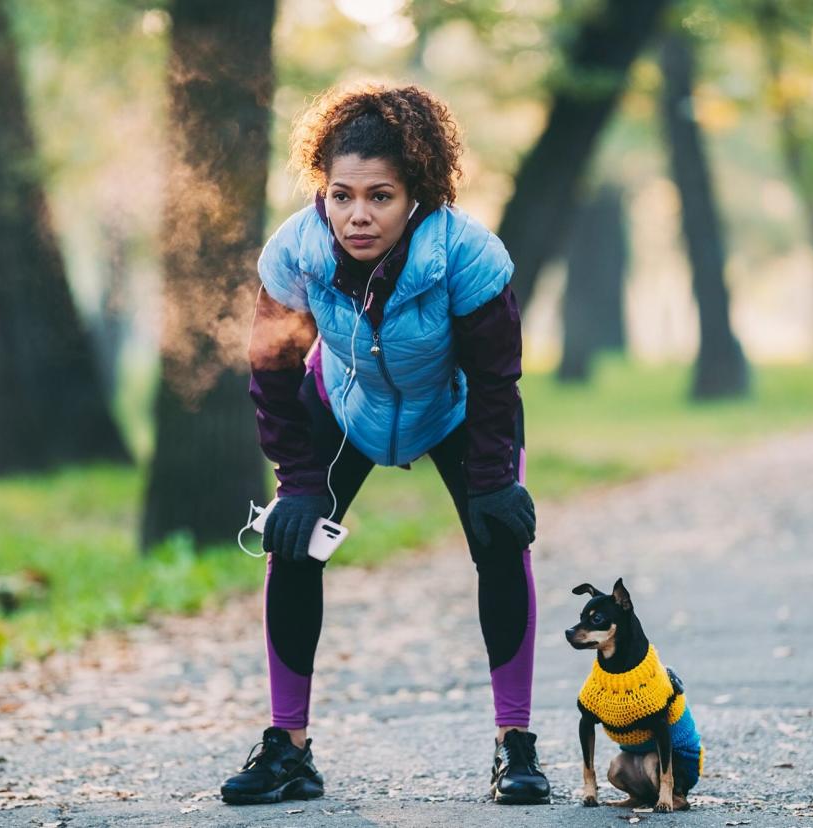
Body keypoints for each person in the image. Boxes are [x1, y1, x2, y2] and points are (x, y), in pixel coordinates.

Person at [221, 82, 547, 807]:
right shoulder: (297, 253)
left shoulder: (467, 254)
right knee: (294, 543)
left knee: (499, 541)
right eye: (341, 195)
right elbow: (272, 370)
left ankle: (515, 745)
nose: (357, 215)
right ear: (323, 191)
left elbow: (497, 379)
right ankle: (288, 750)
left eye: (380, 196)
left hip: (456, 410)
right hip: (346, 406)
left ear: (417, 194)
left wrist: (495, 478)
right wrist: (298, 481)